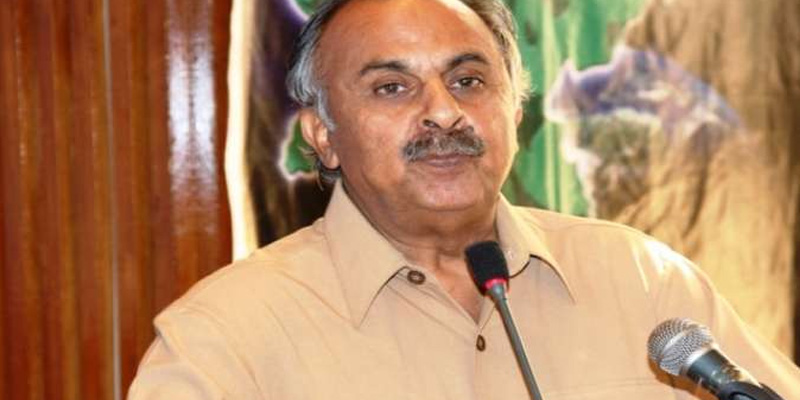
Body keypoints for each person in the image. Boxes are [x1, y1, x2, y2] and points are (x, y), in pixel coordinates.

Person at [127, 0, 800, 398]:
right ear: (323, 137)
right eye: (392, 87)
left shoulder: (643, 282)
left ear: (515, 113)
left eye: (470, 80)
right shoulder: (224, 336)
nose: (444, 113)